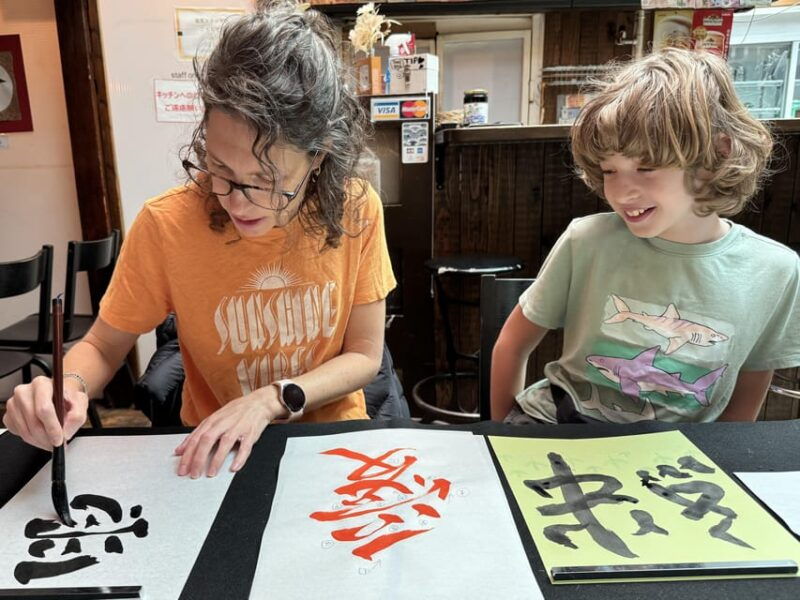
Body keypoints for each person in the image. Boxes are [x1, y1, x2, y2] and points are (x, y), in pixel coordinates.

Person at [3, 1, 395, 477]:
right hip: (215, 454)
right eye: (219, 169)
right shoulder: (166, 224)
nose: (236, 201)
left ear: (319, 157)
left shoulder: (355, 207)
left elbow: (364, 355)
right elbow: (105, 346)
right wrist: (68, 385)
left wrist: (272, 400)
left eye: (265, 181)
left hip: (326, 441)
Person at [491, 48, 800, 425]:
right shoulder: (587, 239)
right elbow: (512, 342)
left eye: (647, 166)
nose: (621, 192)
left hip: (678, 453)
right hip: (558, 420)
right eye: (609, 170)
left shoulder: (777, 271)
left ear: (717, 153)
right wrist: (499, 431)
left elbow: (748, 392)